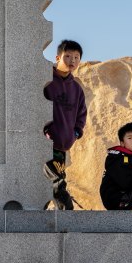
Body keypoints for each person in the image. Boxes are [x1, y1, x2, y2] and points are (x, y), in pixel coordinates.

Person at [43, 40, 87, 210]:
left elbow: (81, 115)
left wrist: (75, 133)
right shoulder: (46, 81)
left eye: (76, 57)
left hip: (63, 146)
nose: (72, 61)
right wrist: (46, 132)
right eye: (67, 56)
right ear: (58, 57)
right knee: (57, 183)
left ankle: (60, 220)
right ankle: (67, 215)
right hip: (46, 145)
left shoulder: (76, 89)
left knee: (59, 181)